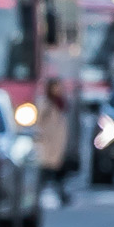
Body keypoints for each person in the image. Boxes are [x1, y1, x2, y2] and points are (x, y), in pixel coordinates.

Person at [38, 76, 71, 206]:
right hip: (47, 144)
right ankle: (60, 195)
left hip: (58, 144)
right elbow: (39, 122)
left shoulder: (60, 103)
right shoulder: (45, 103)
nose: (58, 89)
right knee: (46, 173)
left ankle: (62, 195)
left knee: (57, 173)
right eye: (55, 87)